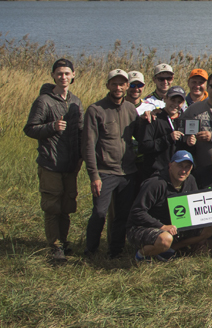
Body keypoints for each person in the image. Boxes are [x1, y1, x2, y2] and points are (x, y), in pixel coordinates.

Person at [24, 58, 83, 261]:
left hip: (70, 164)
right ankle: (55, 246)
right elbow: (30, 129)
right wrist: (51, 127)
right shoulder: (44, 101)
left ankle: (64, 242)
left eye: (67, 73)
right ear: (53, 76)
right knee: (52, 206)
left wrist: (80, 158)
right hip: (50, 162)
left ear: (73, 75)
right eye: (59, 73)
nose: (63, 77)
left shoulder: (76, 101)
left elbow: (80, 132)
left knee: (67, 206)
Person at [81, 69, 140, 260]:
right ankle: (91, 250)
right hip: (105, 172)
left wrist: (151, 118)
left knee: (122, 215)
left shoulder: (130, 109)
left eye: (122, 84)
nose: (118, 87)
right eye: (114, 83)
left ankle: (116, 251)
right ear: (107, 85)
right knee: (99, 213)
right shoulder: (96, 110)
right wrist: (94, 175)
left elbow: (140, 135)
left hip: (127, 172)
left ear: (127, 86)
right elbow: (88, 145)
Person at [127, 150, 208, 263]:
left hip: (174, 226)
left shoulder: (190, 180)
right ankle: (141, 254)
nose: (183, 171)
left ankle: (168, 250)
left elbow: (195, 207)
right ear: (170, 165)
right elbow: (137, 212)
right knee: (165, 239)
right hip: (144, 227)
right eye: (180, 166)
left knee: (209, 229)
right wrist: (162, 226)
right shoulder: (155, 183)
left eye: (187, 167)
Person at [138, 85, 191, 180]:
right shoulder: (153, 118)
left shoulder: (185, 120)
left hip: (179, 175)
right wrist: (168, 138)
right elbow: (144, 146)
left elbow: (187, 151)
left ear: (183, 103)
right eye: (173, 100)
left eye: (179, 102)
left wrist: (191, 144)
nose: (175, 104)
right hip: (155, 174)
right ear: (165, 99)